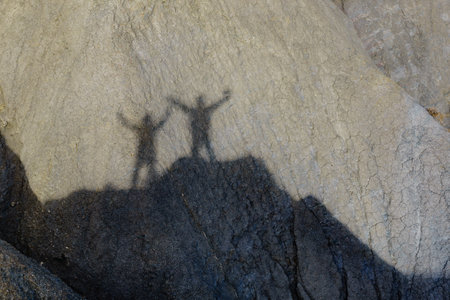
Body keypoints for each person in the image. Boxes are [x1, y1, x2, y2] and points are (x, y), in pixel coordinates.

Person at [169, 90, 231, 160]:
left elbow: (183, 107)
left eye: (201, 103)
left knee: (202, 148)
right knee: (203, 148)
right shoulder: (199, 111)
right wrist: (174, 101)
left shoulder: (197, 111)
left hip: (200, 133)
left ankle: (202, 160)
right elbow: (183, 106)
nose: (200, 104)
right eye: (200, 103)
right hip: (200, 133)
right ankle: (206, 160)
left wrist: (174, 101)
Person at [118, 109, 170, 187]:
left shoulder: (141, 129)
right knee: (149, 169)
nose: (147, 123)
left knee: (139, 169)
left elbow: (129, 125)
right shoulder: (151, 129)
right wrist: (167, 115)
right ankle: (147, 184)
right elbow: (160, 124)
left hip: (142, 152)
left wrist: (122, 118)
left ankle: (134, 184)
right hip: (149, 152)